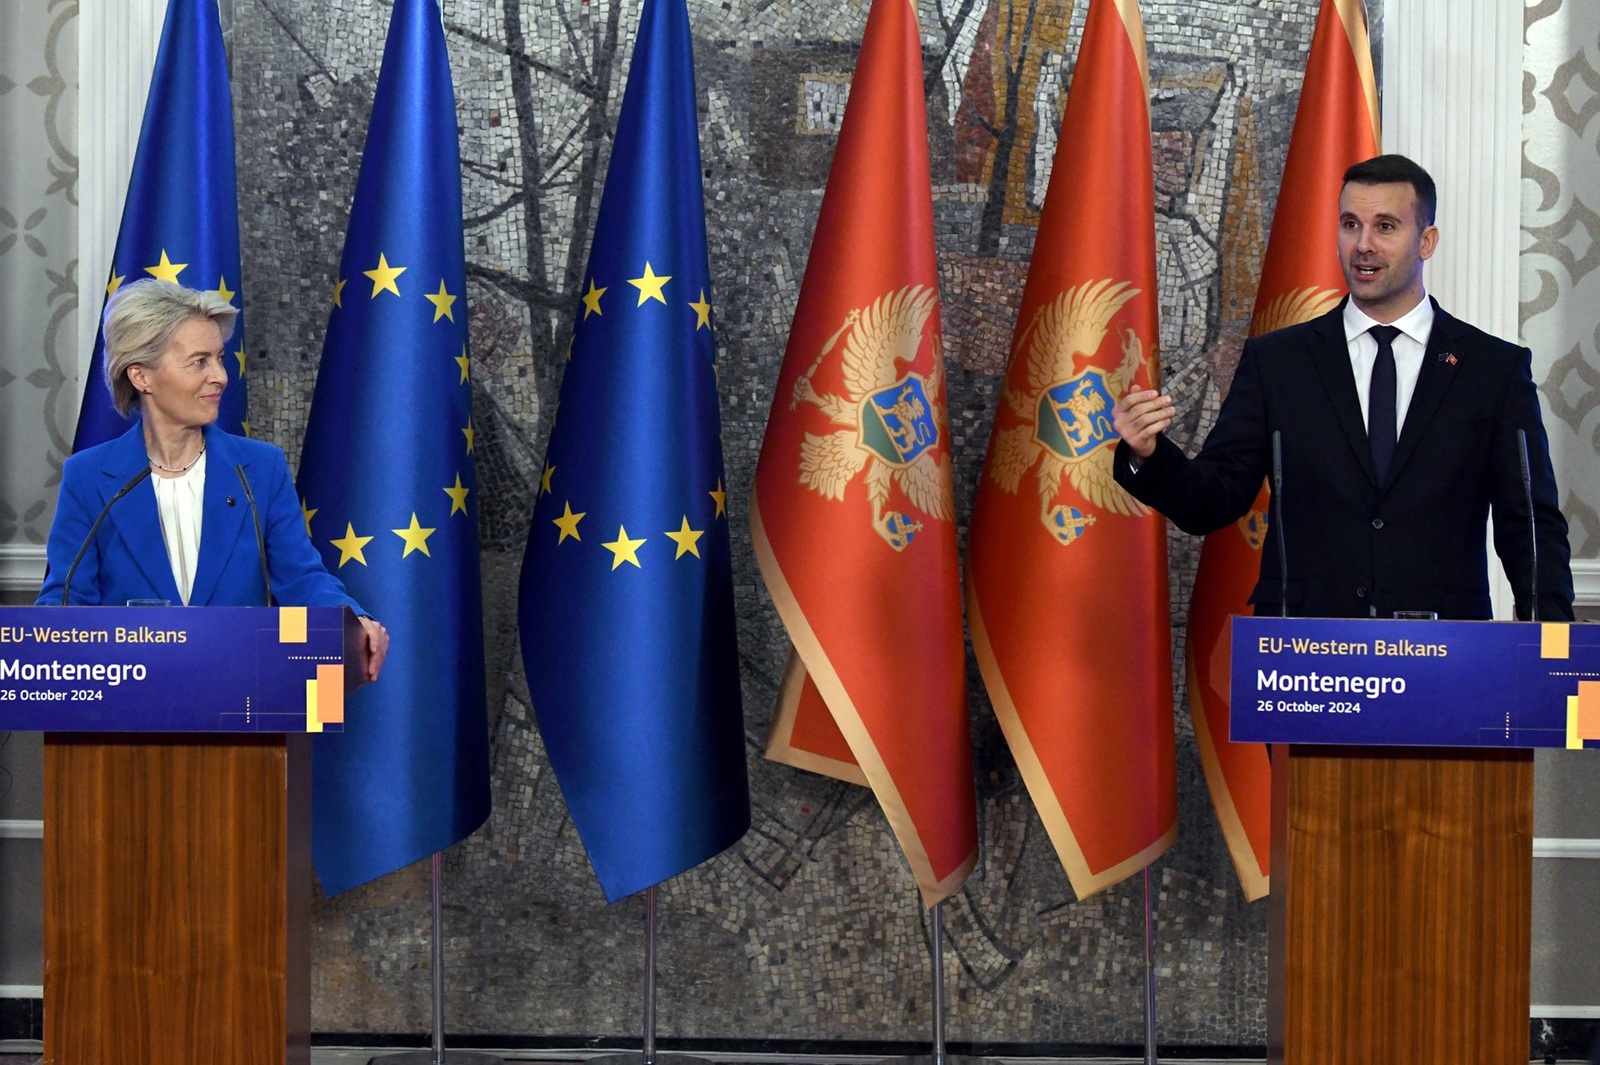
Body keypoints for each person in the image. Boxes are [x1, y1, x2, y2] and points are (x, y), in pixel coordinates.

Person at [1111, 154, 1574, 621]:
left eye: (1386, 227)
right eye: (1350, 224)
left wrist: (1553, 648)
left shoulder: (1491, 370)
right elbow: (1214, 499)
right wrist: (1149, 456)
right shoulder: (1279, 363)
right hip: (1305, 654)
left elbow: (1529, 523)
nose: (1363, 245)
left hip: (1442, 660)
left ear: (1426, 241)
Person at [38, 279, 389, 678]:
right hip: (126, 713)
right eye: (199, 361)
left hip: (244, 700)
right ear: (141, 376)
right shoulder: (89, 478)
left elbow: (302, 579)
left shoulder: (260, 470)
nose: (220, 376)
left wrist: (353, 619)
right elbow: (66, 599)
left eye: (220, 358)